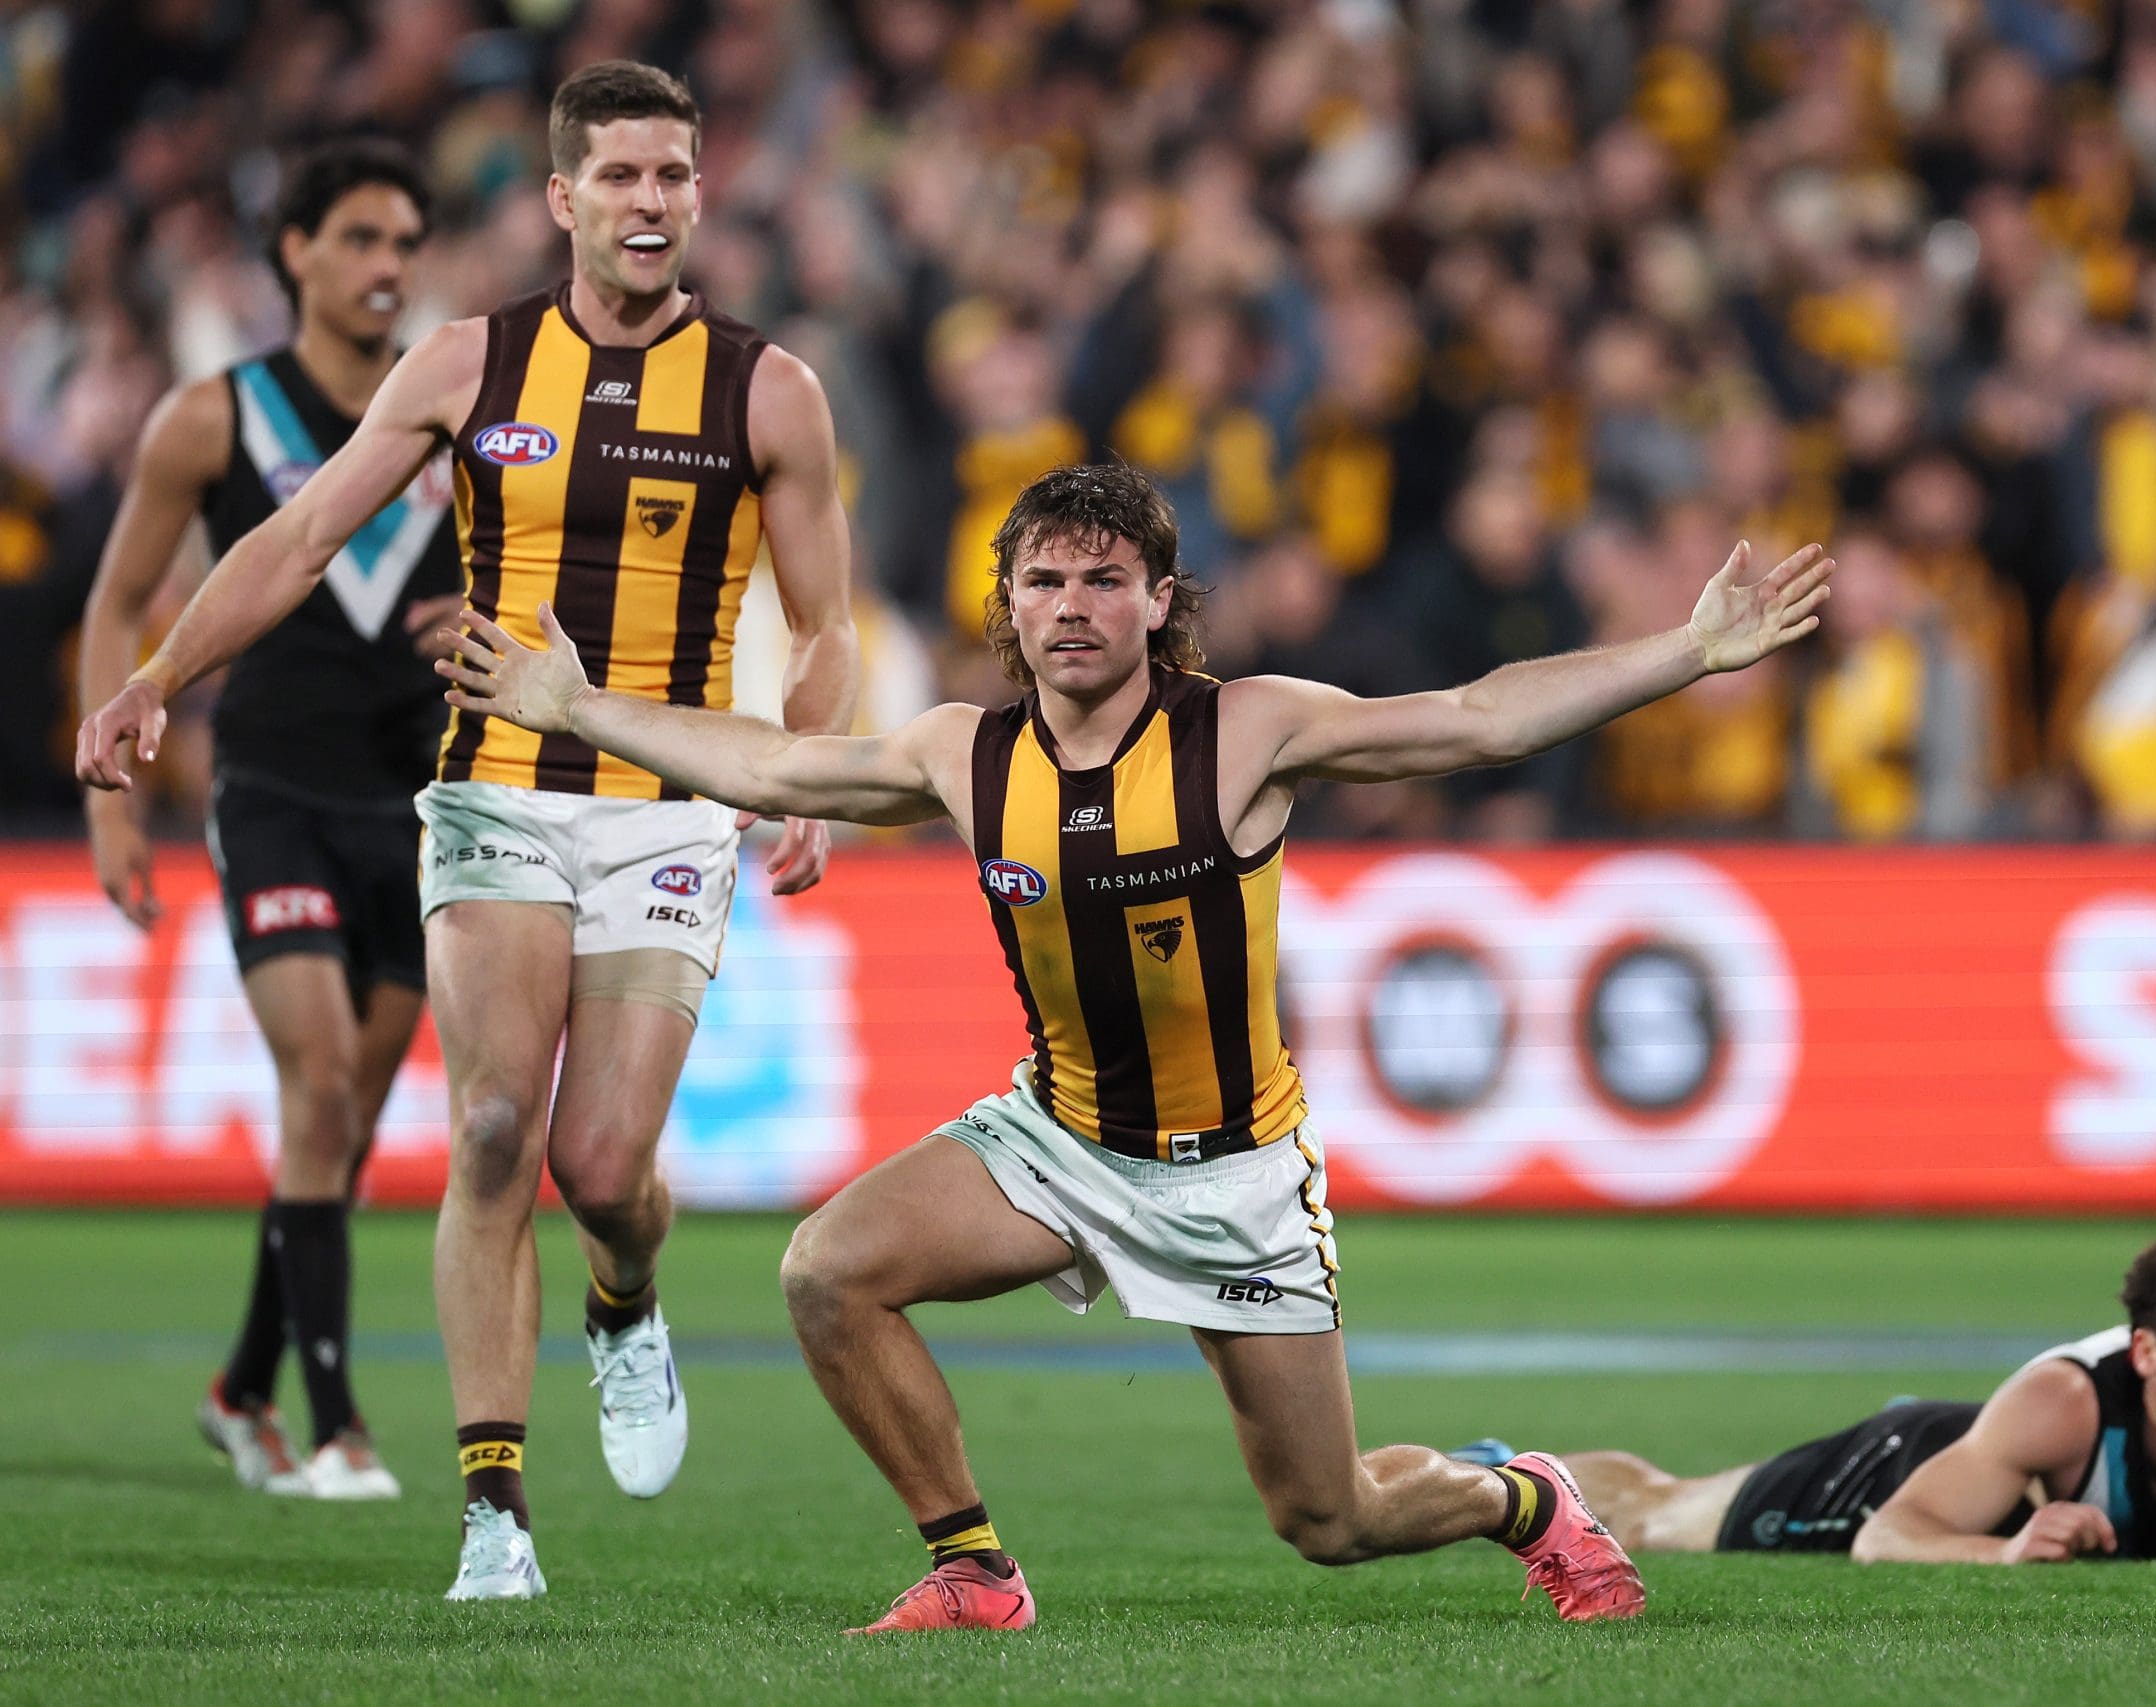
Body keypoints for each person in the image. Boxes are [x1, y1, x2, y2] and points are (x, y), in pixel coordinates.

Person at [431, 459, 1832, 1632]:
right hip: (1059, 1139)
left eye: (1105, 579)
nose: (1072, 606)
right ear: (1008, 604)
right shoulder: (964, 753)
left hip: (1232, 1174)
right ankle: (973, 1569)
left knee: (1331, 1518)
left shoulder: (1244, 730)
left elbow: (1475, 721)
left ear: (1162, 600)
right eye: (1044, 580)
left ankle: (1522, 1495)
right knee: (827, 1272)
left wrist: (1686, 651)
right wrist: (576, 708)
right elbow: (776, 765)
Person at [75, 62, 861, 1599]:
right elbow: (302, 532)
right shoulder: (467, 363)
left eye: (673, 174)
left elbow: (826, 622)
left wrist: (807, 769)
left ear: (701, 193)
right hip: (495, 789)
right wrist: (160, 675)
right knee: (494, 1125)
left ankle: (624, 1296)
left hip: (664, 808)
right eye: (619, 175)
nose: (649, 200)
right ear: (562, 197)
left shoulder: (770, 389)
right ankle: (493, 1508)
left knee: (604, 1162)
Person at [76, 139, 460, 1502]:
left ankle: (240, 1388)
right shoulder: (215, 416)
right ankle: (338, 1424)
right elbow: (115, 604)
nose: (387, 267)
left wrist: (495, 620)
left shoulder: (455, 416)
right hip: (276, 790)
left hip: (419, 803)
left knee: (338, 1133)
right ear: (294, 251)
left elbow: (547, 579)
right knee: (322, 1088)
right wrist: (110, 808)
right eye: (359, 238)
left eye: (404, 243)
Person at [1483, 1215, 2156, 1567]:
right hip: (1909, 1468)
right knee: (1660, 1514)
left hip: (1981, 1465)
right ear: (2146, 1354)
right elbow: (1888, 1537)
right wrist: (2006, 1551)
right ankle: (1501, 1478)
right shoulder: (2068, 1403)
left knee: (1669, 1499)